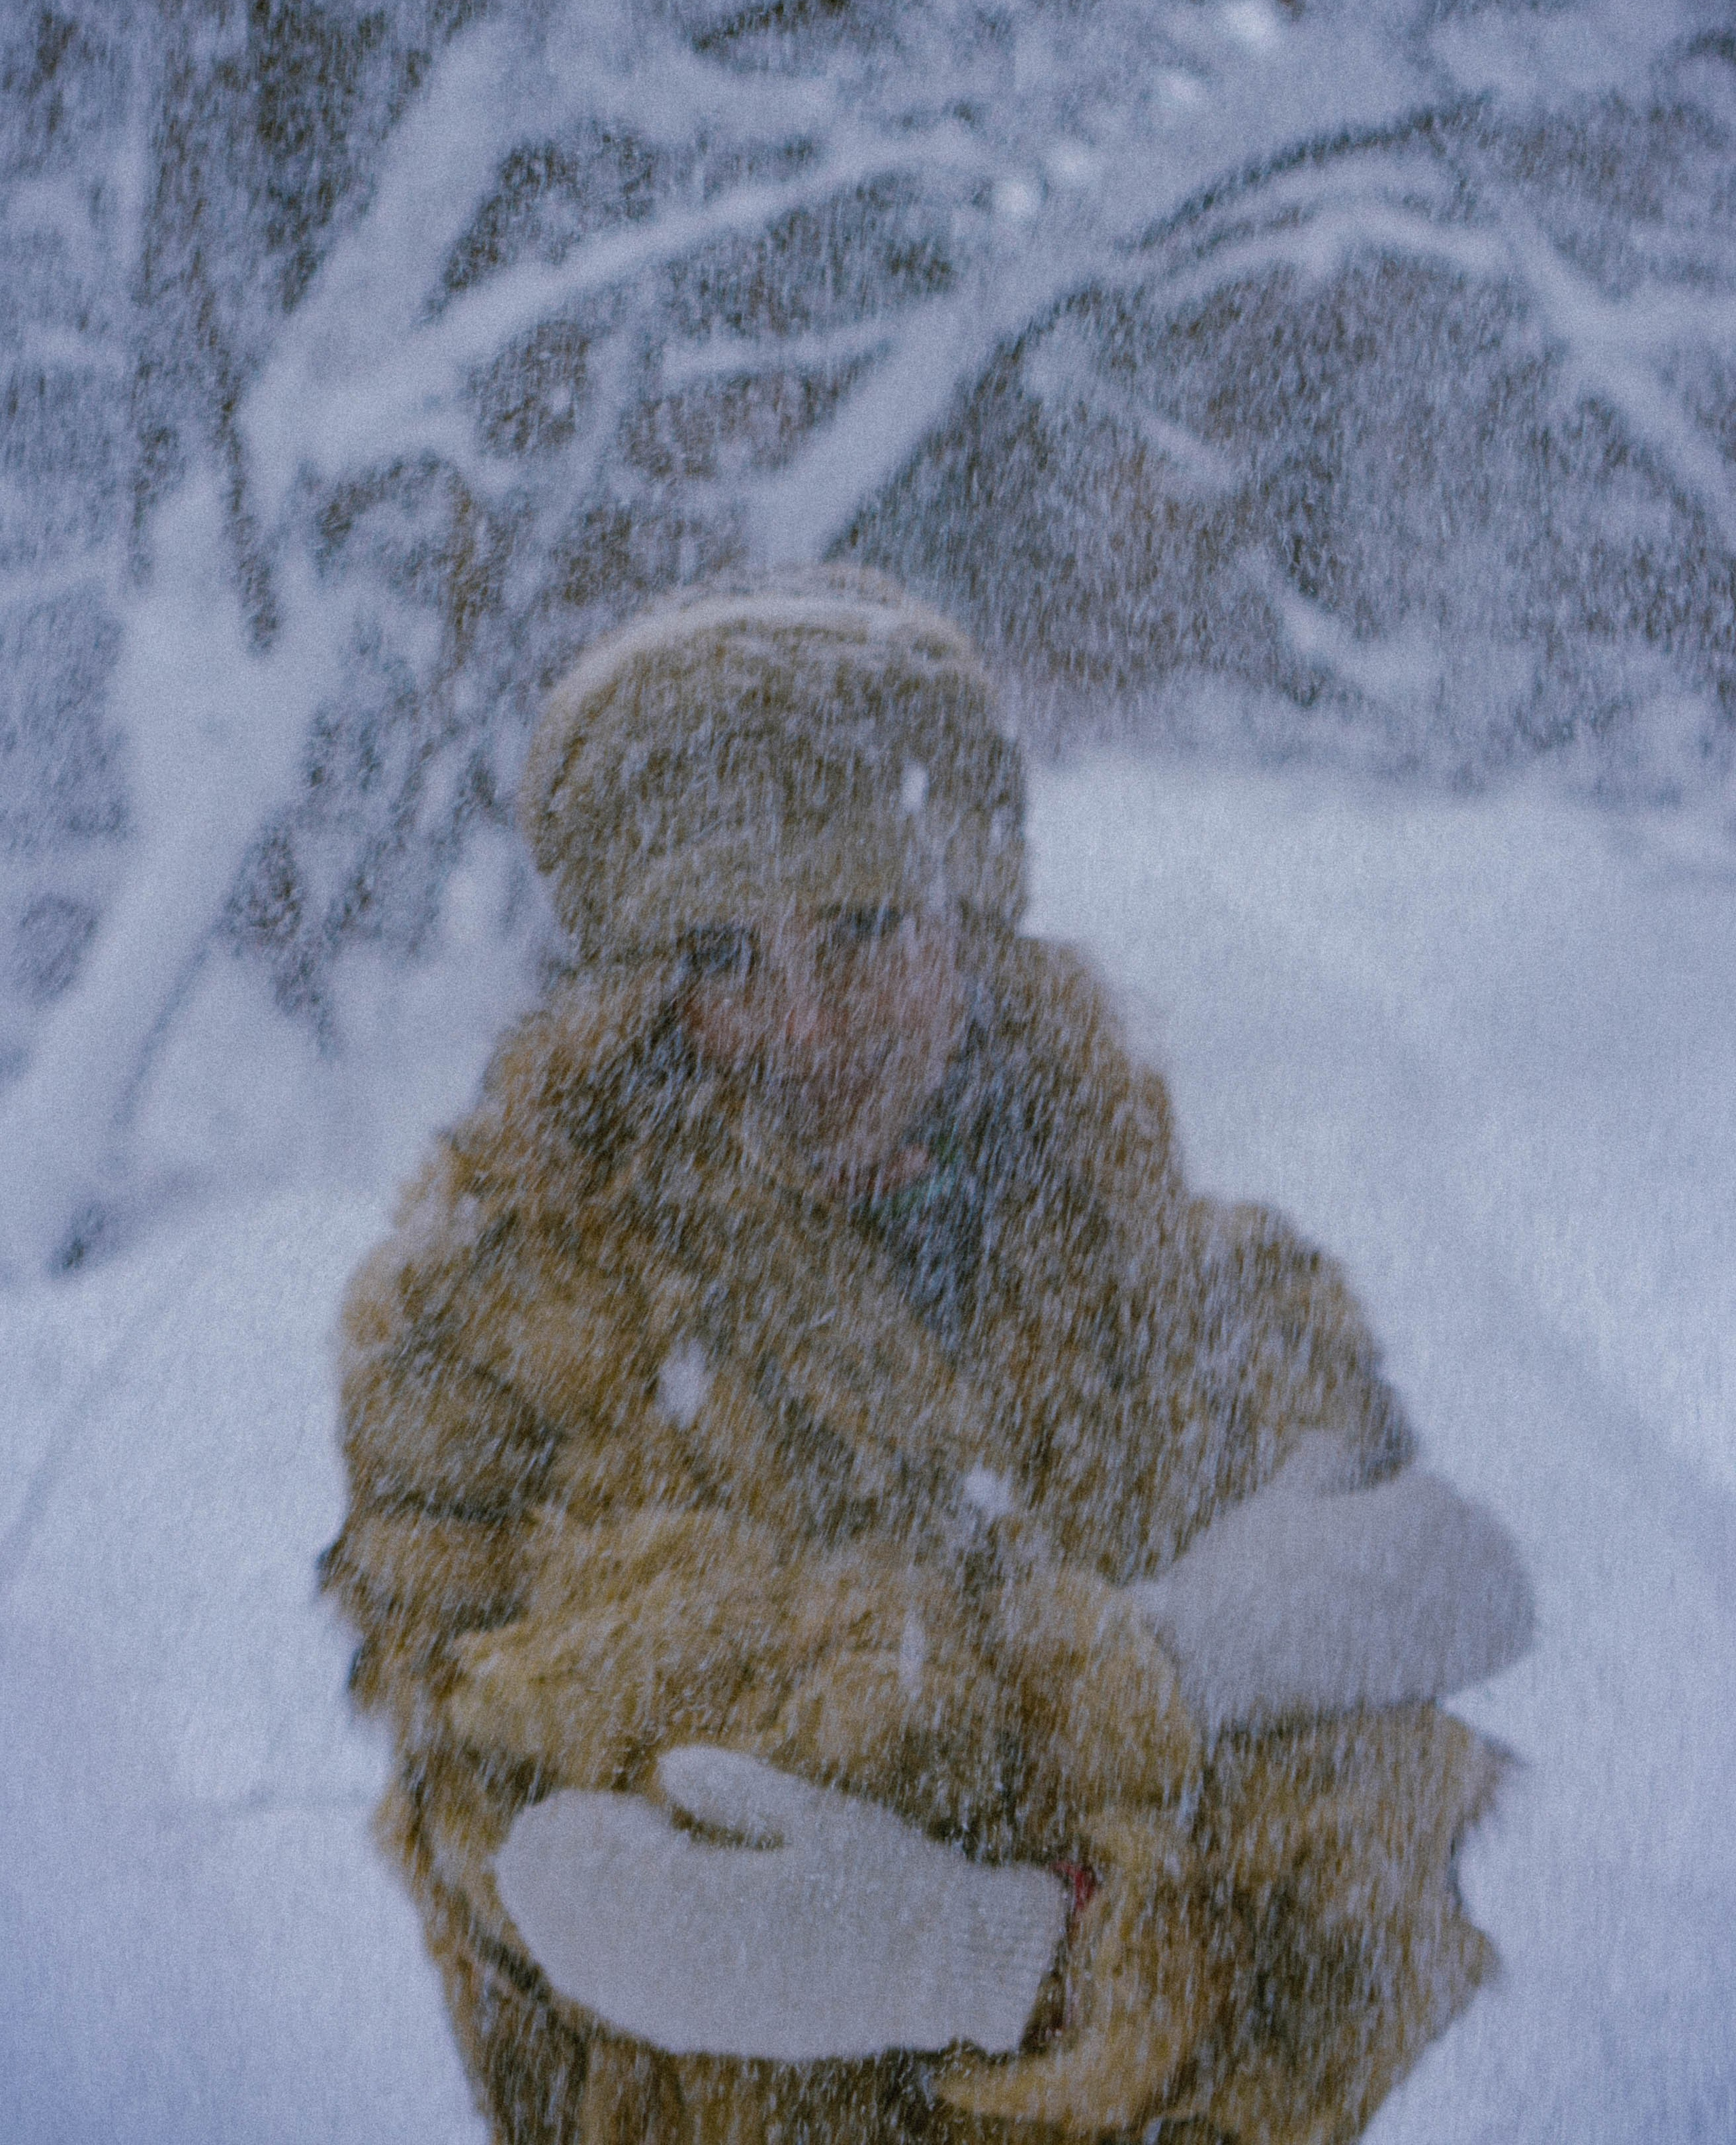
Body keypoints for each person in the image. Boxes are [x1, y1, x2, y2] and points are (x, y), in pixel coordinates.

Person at [321, 566, 1533, 2145]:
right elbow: (542, 1860)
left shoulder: (1195, 1291)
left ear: (968, 926)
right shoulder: (489, 1332)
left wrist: (1029, 1955)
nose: (806, 1024)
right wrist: (1158, 1685)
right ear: (630, 998)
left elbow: (1365, 1858)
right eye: (721, 956)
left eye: (862, 928)